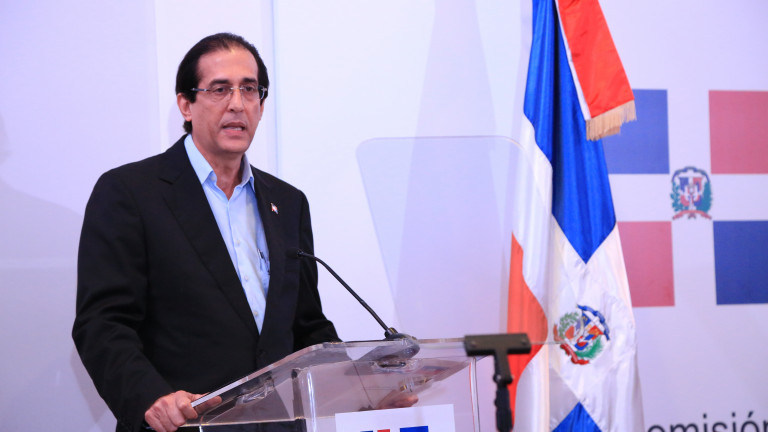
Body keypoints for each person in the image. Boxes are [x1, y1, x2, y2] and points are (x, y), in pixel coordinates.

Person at [72, 33, 340, 432]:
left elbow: (306, 325)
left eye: (249, 89)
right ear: (186, 104)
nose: (237, 104)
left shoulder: (288, 202)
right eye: (220, 89)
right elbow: (103, 323)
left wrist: (363, 378)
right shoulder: (131, 193)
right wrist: (150, 398)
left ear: (261, 104)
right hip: (184, 426)